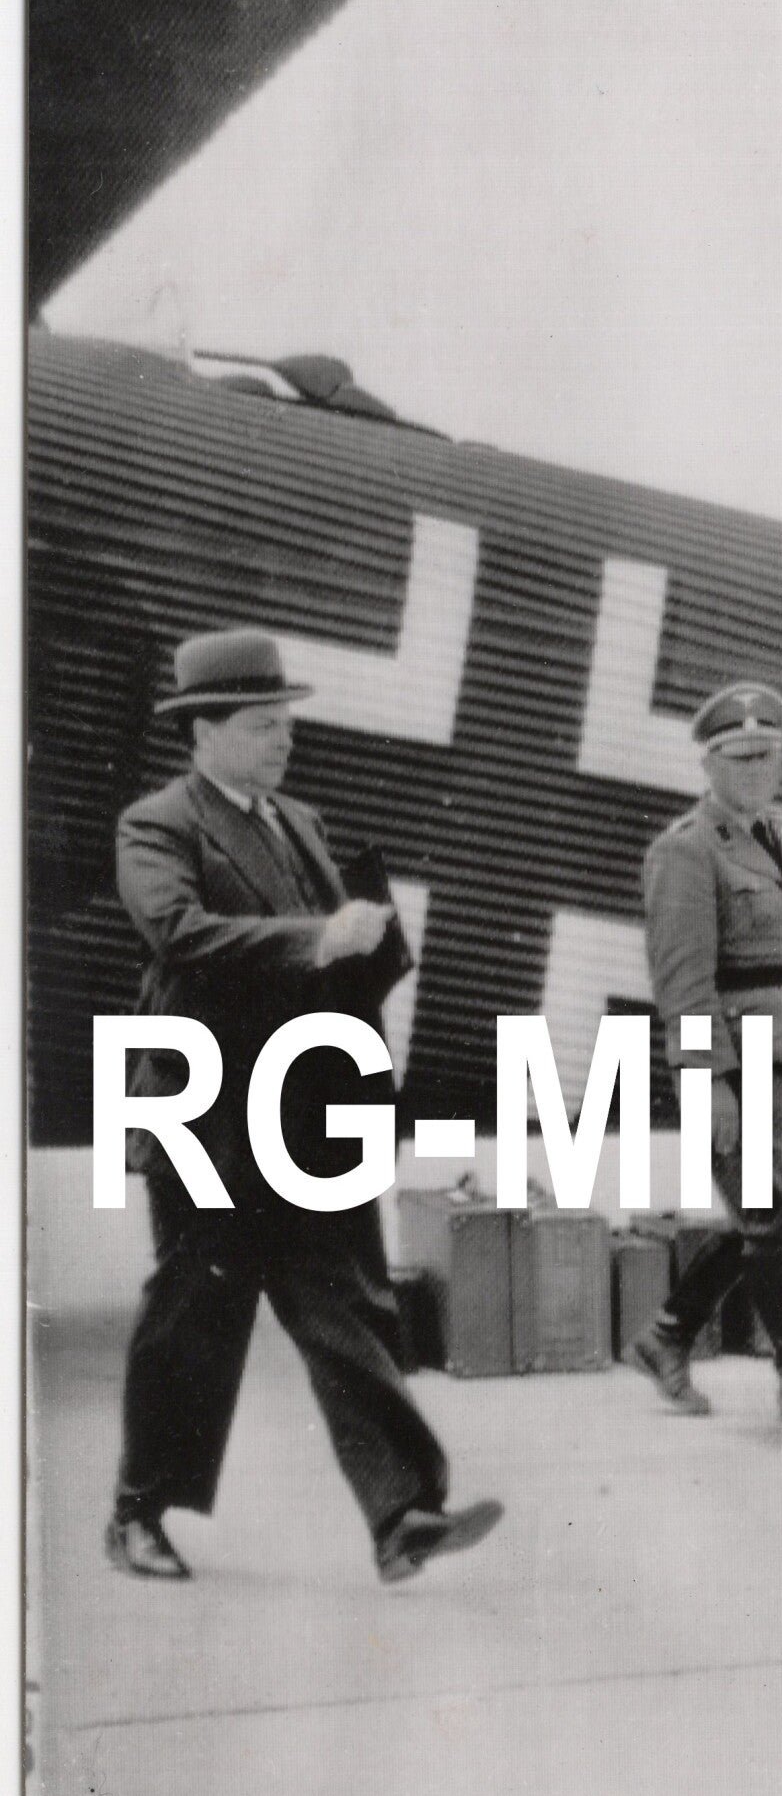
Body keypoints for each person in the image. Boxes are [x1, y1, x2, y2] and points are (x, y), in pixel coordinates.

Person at [108, 628, 503, 1584]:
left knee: (348, 1308)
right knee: (196, 1316)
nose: (284, 738)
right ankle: (137, 1515)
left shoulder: (301, 822)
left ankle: (403, 1515)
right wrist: (319, 939)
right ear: (203, 731)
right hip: (207, 1115)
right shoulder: (157, 825)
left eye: (286, 722)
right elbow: (179, 934)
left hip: (308, 1110)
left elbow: (337, 966)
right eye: (261, 724)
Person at [625, 680, 782, 1427]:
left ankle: (667, 1337)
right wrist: (711, 1084)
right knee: (769, 1213)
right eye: (741, 758)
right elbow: (682, 983)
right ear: (710, 765)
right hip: (735, 1062)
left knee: (767, 1214)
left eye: (769, 756)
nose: (758, 770)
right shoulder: (687, 850)